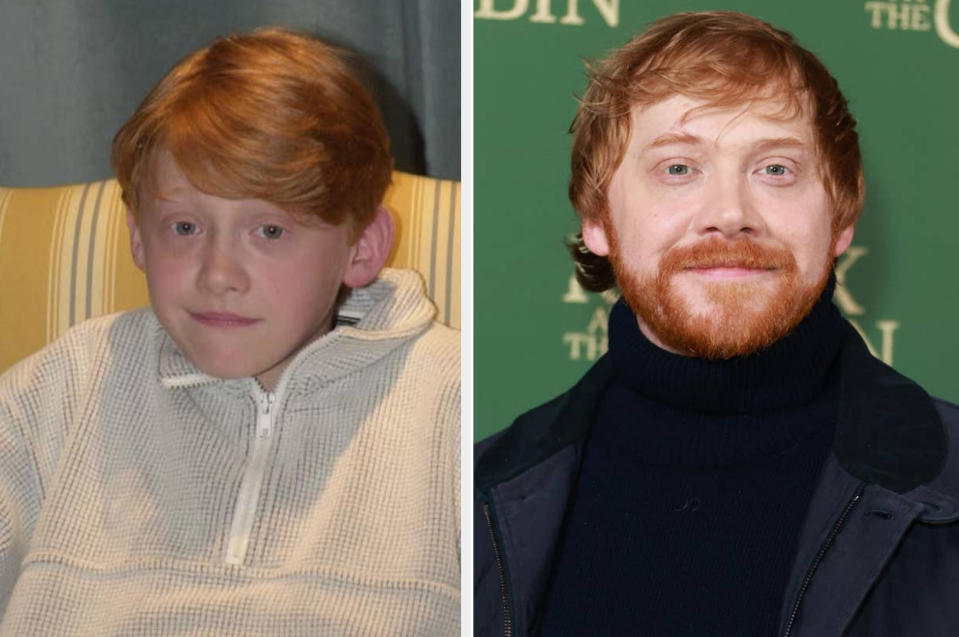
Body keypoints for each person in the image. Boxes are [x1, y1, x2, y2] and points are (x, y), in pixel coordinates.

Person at [474, 11, 959, 637]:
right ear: (598, 219)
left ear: (842, 215)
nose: (730, 214)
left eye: (775, 169)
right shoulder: (476, 499)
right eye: (678, 168)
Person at [0, 28, 460, 635]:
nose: (218, 275)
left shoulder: (453, 403)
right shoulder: (68, 385)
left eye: (269, 231)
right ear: (138, 234)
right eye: (185, 227)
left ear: (362, 246)